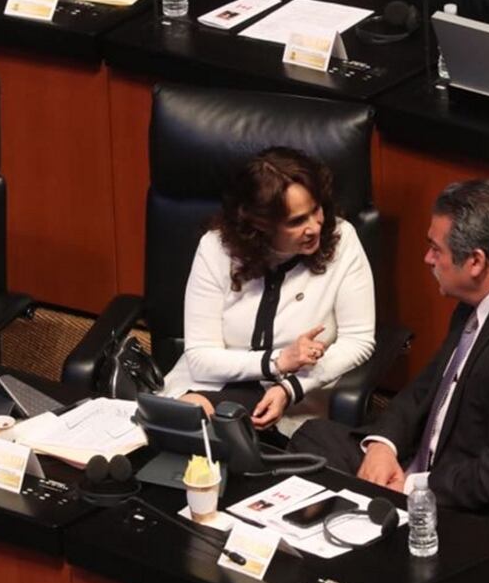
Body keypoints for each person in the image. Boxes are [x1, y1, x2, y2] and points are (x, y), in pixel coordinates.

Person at [290, 180, 489, 563]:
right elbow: (427, 387)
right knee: (313, 441)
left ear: (476, 262)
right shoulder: (480, 296)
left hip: (477, 510)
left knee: (346, 543)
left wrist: (412, 486)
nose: (427, 259)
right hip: (426, 465)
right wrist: (383, 447)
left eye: (436, 249)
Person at [157, 147, 376, 437]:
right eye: (297, 221)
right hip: (208, 386)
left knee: (208, 432)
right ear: (260, 226)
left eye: (317, 209)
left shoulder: (342, 239)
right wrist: (277, 361)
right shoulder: (216, 248)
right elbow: (200, 358)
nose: (315, 227)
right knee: (186, 425)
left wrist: (291, 385)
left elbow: (358, 340)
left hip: (297, 395)